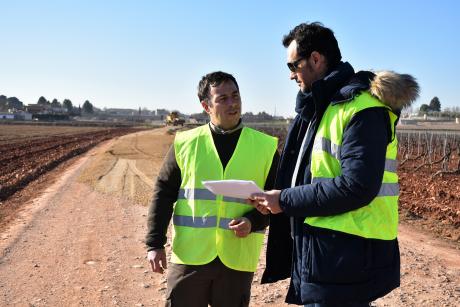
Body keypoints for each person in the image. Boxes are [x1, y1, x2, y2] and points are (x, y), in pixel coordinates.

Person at [249, 22, 419, 306]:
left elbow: (356, 186)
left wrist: (285, 200)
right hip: (323, 253)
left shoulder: (362, 109)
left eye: (293, 66)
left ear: (316, 59)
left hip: (346, 259)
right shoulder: (321, 108)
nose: (291, 76)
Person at [145, 71, 279, 307]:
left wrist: (253, 222)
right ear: (206, 106)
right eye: (223, 98)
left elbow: (278, 200)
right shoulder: (185, 143)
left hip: (236, 258)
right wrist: (155, 244)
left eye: (235, 95)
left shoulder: (266, 147)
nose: (232, 103)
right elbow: (163, 193)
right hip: (190, 256)